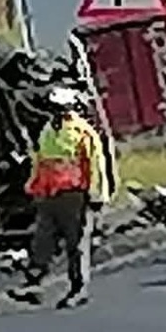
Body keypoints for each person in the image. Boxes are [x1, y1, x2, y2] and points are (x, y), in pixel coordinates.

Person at [9, 87, 109, 310]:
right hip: (50, 194)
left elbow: (96, 164)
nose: (57, 112)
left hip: (74, 195)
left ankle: (78, 288)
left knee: (76, 244)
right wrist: (33, 186)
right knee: (42, 241)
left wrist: (97, 194)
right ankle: (34, 284)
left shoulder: (82, 131)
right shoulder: (48, 130)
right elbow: (41, 161)